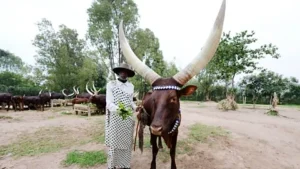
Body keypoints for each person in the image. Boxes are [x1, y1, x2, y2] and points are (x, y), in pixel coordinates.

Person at [105, 63, 140, 169]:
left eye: (126, 71)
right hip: (115, 118)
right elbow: (109, 103)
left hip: (127, 119)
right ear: (118, 72)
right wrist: (122, 111)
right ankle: (112, 165)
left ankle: (125, 165)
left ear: (128, 74)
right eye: (121, 70)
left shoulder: (131, 86)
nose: (123, 73)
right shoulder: (111, 84)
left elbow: (130, 102)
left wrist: (135, 107)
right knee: (115, 143)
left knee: (126, 143)